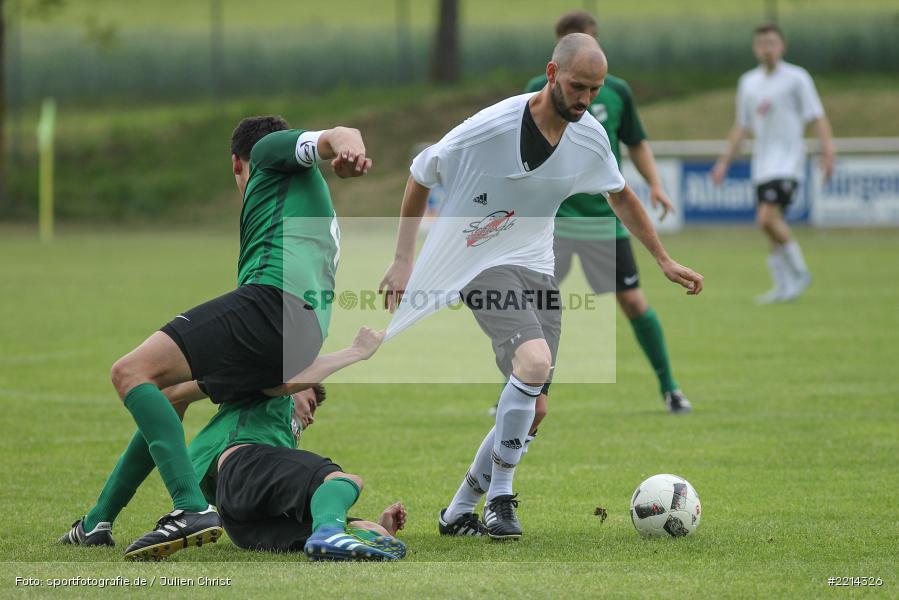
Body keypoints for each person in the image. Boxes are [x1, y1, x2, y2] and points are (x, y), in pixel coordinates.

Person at [379, 34, 703, 540]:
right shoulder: (489, 126)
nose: (585, 99)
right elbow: (421, 174)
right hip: (478, 260)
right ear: (552, 73)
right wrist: (402, 260)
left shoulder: (589, 134)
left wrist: (662, 257)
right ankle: (501, 499)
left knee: (535, 408)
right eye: (578, 86)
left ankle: (459, 510)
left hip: (536, 266)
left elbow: (621, 197)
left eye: (594, 90)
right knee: (532, 365)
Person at [70, 115, 373, 559]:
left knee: (131, 370)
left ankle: (191, 509)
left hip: (273, 305)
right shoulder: (300, 201)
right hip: (298, 335)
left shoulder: (269, 153)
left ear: (236, 164)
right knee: (169, 394)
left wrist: (349, 151)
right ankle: (98, 520)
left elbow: (337, 134)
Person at [60, 329, 405, 562]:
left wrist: (382, 528)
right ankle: (330, 531)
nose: (312, 416)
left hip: (238, 518)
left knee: (352, 524)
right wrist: (356, 352)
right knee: (343, 481)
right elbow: (175, 395)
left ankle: (337, 532)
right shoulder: (261, 388)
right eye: (311, 402)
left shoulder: (280, 442)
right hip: (241, 467)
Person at [523, 10, 691, 414]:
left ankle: (670, 388)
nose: (584, 93)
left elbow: (636, 141)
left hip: (604, 220)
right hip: (555, 222)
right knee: (531, 312)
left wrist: (654, 183)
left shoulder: (616, 91)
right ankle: (518, 395)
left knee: (633, 302)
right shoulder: (535, 91)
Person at [712, 22, 835, 303]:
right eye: (761, 44)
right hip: (762, 164)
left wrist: (828, 152)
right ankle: (782, 285)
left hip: (788, 162)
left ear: (782, 46)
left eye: (772, 43)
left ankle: (800, 272)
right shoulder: (748, 82)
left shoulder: (797, 78)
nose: (767, 48)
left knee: (766, 218)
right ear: (755, 48)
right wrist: (723, 163)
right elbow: (741, 127)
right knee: (770, 224)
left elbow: (817, 116)